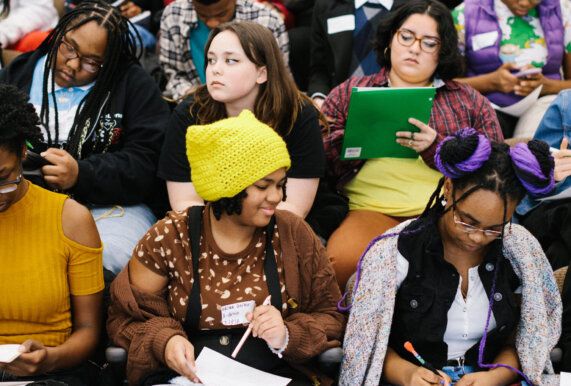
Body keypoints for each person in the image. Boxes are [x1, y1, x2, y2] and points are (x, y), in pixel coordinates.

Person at [107, 110, 346, 385]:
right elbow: (125, 318)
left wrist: (288, 335)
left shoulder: (292, 233)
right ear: (226, 188)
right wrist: (165, 340)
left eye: (281, 185)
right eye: (263, 186)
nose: (277, 197)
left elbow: (330, 316)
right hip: (188, 377)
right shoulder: (170, 237)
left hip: (276, 373)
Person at [340, 128, 560, 385]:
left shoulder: (521, 251)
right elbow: (367, 341)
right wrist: (406, 374)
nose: (477, 237)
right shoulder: (393, 252)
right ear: (448, 187)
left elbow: (526, 337)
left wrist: (497, 377)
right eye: (467, 221)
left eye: (494, 228)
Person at [322, 0, 503, 289]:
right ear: (390, 40)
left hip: (444, 211)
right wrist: (355, 137)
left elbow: (496, 166)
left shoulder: (467, 100)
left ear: (441, 52)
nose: (414, 48)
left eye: (429, 43)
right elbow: (316, 158)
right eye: (406, 37)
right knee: (342, 263)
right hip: (369, 209)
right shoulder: (350, 93)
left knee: (464, 274)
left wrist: (438, 148)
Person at [0, 0, 170, 275]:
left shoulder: (134, 85)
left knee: (102, 260)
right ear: (57, 35)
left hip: (110, 208)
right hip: (21, 201)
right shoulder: (22, 71)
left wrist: (83, 173)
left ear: (111, 61)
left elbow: (146, 162)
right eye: (69, 47)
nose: (73, 64)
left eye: (92, 62)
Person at [158, 21, 325, 219]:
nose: (215, 70)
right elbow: (185, 203)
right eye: (211, 60)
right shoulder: (191, 112)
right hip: (207, 227)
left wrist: (247, 243)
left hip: (278, 226)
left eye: (230, 61)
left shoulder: (297, 113)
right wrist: (222, 238)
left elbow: (295, 207)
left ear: (262, 73)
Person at [0, 84, 104, 385]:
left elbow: (89, 331)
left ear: (23, 151)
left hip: (53, 374)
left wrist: (50, 357)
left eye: (3, 177)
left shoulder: (70, 219)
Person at [452, 0, 571, 139]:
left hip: (543, 106)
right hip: (487, 107)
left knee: (537, 141)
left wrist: (547, 86)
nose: (524, 3)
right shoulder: (465, 13)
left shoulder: (563, 10)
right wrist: (492, 82)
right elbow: (445, 85)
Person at [160, 0, 289, 100]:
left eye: (221, 14)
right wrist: (191, 95)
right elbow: (173, 73)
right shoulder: (173, 16)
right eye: (203, 16)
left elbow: (277, 77)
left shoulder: (267, 20)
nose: (212, 23)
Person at [308, 0, 409, 108]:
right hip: (339, 107)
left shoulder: (415, 8)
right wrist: (319, 98)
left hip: (394, 105)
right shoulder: (327, 5)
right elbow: (319, 68)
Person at [515, 89, 571, 270]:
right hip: (550, 210)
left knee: (559, 254)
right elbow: (530, 178)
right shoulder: (566, 102)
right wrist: (551, 175)